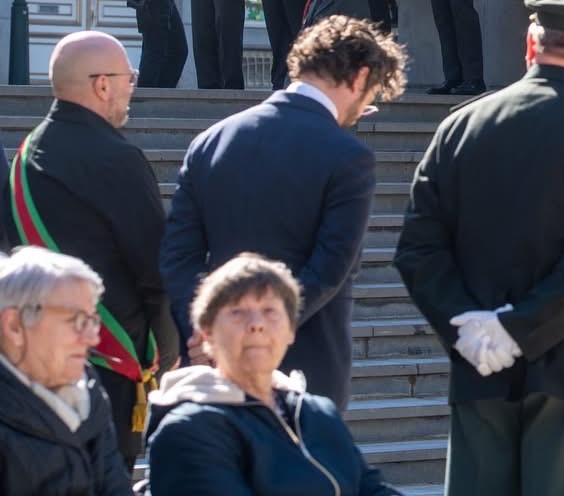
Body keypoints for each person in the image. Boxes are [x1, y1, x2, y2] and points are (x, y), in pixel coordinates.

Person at [395, 0, 564, 495]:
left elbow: (417, 249)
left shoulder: (459, 127)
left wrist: (469, 330)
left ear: (530, 46)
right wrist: (518, 328)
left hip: (480, 368)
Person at [159, 16, 407, 411]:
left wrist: (210, 333)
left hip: (213, 364)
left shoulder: (210, 141)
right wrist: (263, 331)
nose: (363, 109)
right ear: (360, 77)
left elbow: (178, 257)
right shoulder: (348, 156)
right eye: (371, 94)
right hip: (306, 368)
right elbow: (329, 268)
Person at [0, 31, 179, 463]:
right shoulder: (119, 159)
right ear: (102, 85)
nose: (131, 88)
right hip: (108, 370)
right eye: (129, 78)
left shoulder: (26, 153)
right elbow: (158, 271)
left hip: (31, 363)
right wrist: (167, 354)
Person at [144, 254, 398, 494]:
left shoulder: (318, 413)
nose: (257, 324)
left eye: (270, 311)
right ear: (206, 333)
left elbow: (372, 488)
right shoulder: (187, 428)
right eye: (237, 312)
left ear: (291, 330)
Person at [0, 247, 133, 496]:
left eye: (93, 320)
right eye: (76, 320)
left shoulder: (89, 391)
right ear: (14, 326)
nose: (93, 338)